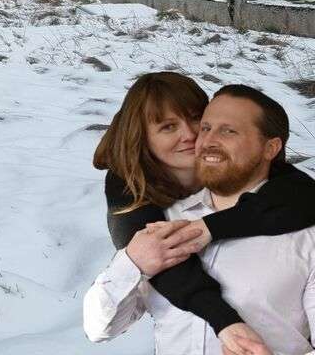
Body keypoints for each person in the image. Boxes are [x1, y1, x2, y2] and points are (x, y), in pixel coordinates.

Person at [86, 75, 315, 353]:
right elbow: (100, 328)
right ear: (144, 141)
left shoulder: (303, 228)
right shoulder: (156, 221)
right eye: (169, 126)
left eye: (199, 120)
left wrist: (210, 227)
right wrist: (132, 263)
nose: (195, 136)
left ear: (271, 148)